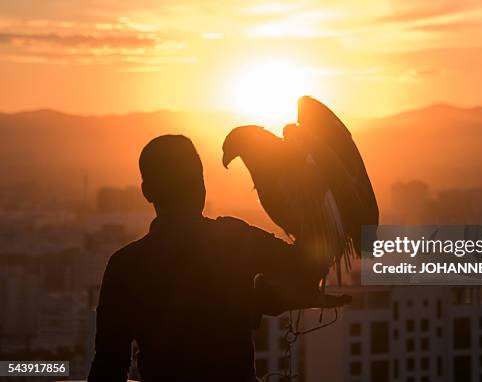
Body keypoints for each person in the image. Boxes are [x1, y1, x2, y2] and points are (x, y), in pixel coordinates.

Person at [88, 135, 321, 382]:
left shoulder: (124, 265)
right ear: (201, 187)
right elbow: (306, 267)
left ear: (147, 192)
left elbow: (108, 366)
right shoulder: (234, 239)